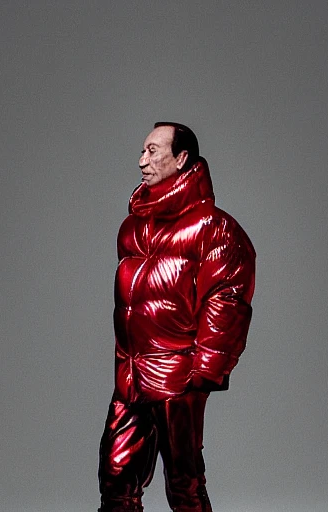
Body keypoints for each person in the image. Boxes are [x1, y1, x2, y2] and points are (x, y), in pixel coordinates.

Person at [98, 122, 256, 512]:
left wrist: (202, 373)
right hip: (131, 377)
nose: (142, 161)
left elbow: (227, 298)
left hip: (178, 378)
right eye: (142, 151)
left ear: (181, 158)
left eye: (152, 151)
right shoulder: (132, 228)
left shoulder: (214, 228)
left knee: (183, 485)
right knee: (115, 479)